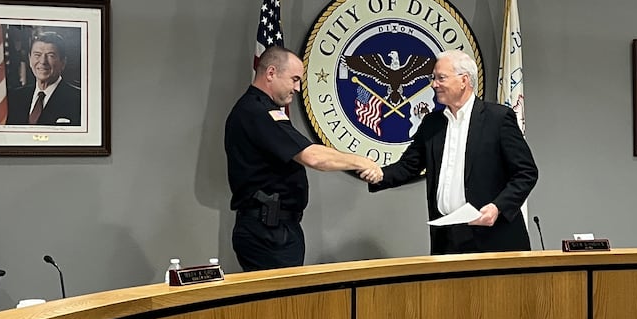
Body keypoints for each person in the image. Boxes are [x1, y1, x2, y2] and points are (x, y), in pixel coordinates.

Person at [364, 50, 538, 255]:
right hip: (447, 241)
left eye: (441, 78)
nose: (434, 84)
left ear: (464, 80)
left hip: (493, 238)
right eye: (433, 78)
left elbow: (526, 172)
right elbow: (408, 166)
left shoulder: (497, 119)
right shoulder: (432, 124)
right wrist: (378, 174)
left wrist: (497, 208)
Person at [225, 46, 382, 271]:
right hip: (266, 231)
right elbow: (313, 156)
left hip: (276, 228)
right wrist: (362, 162)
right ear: (271, 73)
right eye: (294, 79)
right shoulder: (256, 112)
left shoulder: (265, 110)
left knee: (287, 303)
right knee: (281, 304)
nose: (297, 88)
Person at [6, 31, 81, 126]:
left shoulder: (79, 99)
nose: (43, 61)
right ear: (29, 59)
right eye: (37, 55)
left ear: (63, 62)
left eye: (51, 56)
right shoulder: (13, 98)